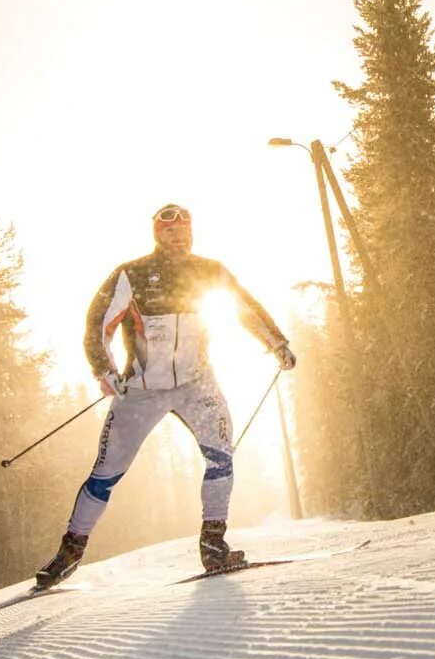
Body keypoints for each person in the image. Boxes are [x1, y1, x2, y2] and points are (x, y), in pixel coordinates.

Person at [34, 203, 297, 588]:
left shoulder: (209, 270)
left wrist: (277, 343)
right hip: (142, 390)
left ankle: (213, 545)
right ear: (157, 234)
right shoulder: (133, 273)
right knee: (105, 475)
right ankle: (69, 553)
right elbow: (98, 321)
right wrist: (103, 369)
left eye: (186, 230)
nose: (180, 237)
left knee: (221, 456)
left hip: (197, 383)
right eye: (171, 231)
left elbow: (244, 307)